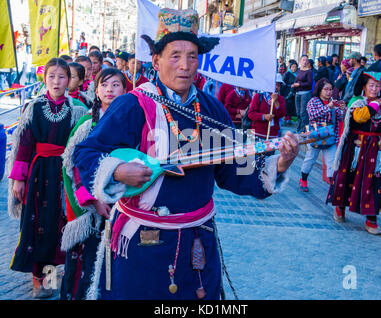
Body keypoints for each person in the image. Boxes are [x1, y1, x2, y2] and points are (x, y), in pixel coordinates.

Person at [72, 8, 299, 300]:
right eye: (175, 56)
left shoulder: (212, 109)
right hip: (142, 243)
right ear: (156, 60)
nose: (185, 65)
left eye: (192, 56)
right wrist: (116, 171)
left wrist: (279, 163)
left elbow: (232, 168)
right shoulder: (133, 105)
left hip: (197, 240)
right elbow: (87, 153)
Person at [8, 58, 87, 298]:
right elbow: (24, 144)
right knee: (36, 223)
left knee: (58, 224)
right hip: (38, 174)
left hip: (64, 174)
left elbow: (81, 148)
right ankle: (37, 279)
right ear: (45, 79)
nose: (56, 81)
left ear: (69, 80)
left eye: (62, 77)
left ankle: (53, 276)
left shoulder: (78, 110)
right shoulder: (33, 107)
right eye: (52, 76)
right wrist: (19, 180)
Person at [60, 68, 126, 300]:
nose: (110, 89)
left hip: (124, 205)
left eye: (116, 84)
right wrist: (93, 201)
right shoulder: (87, 124)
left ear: (125, 90)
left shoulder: (133, 122)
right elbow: (72, 167)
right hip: (92, 208)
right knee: (85, 266)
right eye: (104, 85)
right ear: (96, 90)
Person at [327, 72, 381, 235]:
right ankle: (340, 208)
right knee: (348, 178)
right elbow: (359, 118)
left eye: (377, 86)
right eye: (371, 85)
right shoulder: (357, 103)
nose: (375, 89)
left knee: (373, 183)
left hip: (375, 152)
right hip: (355, 150)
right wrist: (374, 106)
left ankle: (371, 219)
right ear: (364, 87)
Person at [299, 78, 346, 192]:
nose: (329, 92)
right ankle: (303, 180)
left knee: (332, 162)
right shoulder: (313, 101)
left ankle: (332, 187)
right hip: (315, 137)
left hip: (331, 138)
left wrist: (342, 109)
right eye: (326, 89)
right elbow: (313, 115)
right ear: (320, 90)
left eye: (330, 89)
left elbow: (340, 118)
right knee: (310, 159)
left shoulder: (333, 102)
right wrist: (328, 107)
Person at [248, 74, 287, 139]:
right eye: (275, 84)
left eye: (279, 85)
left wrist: (276, 102)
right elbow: (251, 114)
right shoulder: (258, 96)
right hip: (256, 134)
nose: (277, 87)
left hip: (272, 135)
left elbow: (282, 114)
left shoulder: (281, 99)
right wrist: (264, 116)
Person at [292, 55, 313, 132]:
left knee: (303, 113)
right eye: (303, 60)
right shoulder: (299, 70)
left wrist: (299, 84)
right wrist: (294, 84)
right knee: (298, 112)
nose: (305, 62)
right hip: (297, 93)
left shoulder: (309, 71)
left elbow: (309, 84)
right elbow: (296, 80)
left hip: (305, 94)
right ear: (300, 61)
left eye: (306, 60)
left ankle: (303, 130)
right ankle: (299, 128)